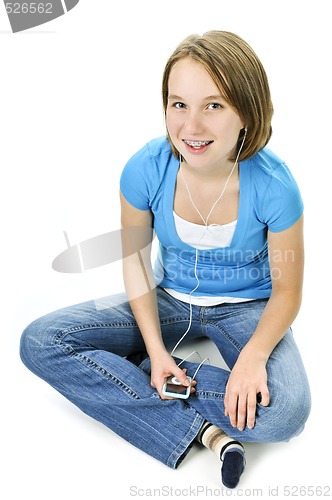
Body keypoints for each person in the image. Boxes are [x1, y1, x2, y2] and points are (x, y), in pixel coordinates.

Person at [20, 31, 311, 489]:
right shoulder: (145, 168)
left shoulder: (275, 185)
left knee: (286, 414)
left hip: (248, 310)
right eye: (179, 104)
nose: (191, 127)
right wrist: (157, 353)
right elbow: (135, 264)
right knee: (41, 340)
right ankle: (206, 431)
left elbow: (289, 292)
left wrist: (253, 358)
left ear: (247, 114)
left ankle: (130, 373)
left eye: (213, 105)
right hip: (168, 299)